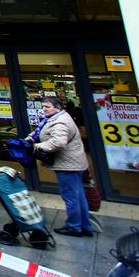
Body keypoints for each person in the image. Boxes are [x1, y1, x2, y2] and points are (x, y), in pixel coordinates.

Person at [31, 95, 92, 237]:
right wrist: (30, 138)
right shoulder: (57, 118)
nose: (44, 109)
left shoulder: (60, 122)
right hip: (74, 162)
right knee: (78, 195)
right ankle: (85, 225)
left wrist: (37, 146)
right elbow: (41, 131)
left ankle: (74, 226)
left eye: (48, 107)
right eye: (43, 107)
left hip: (67, 165)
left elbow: (58, 142)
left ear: (57, 108)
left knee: (71, 196)